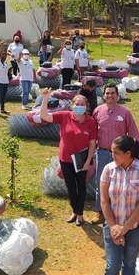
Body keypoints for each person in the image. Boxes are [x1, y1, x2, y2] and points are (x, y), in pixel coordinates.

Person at [100, 135, 139, 275]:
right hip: (112, 226)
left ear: (128, 153)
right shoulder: (108, 170)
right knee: (112, 266)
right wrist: (114, 227)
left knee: (129, 264)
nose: (112, 156)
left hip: (136, 228)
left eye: (116, 152)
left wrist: (123, 230)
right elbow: (104, 201)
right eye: (112, 152)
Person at [39, 88, 97, 226]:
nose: (79, 106)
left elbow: (92, 143)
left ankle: (80, 215)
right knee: (70, 187)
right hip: (66, 159)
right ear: (72, 105)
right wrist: (45, 98)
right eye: (77, 103)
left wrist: (88, 161)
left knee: (81, 187)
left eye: (82, 104)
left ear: (87, 107)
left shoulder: (91, 122)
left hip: (82, 160)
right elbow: (44, 116)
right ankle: (75, 211)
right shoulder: (65, 116)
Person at [92, 84, 139, 224]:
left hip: (120, 155)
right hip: (102, 152)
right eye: (107, 93)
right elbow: (92, 132)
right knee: (100, 183)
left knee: (119, 183)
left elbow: (133, 133)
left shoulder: (125, 112)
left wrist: (137, 153)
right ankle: (99, 211)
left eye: (113, 93)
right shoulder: (97, 111)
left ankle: (117, 212)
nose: (110, 95)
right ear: (103, 96)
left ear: (117, 96)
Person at [0, 42, 11, 116]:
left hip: (5, 82)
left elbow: (8, 72)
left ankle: (2, 109)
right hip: (0, 82)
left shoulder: (6, 64)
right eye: (3, 55)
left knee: (4, 96)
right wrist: (1, 46)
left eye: (5, 55)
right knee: (0, 96)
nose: (4, 56)